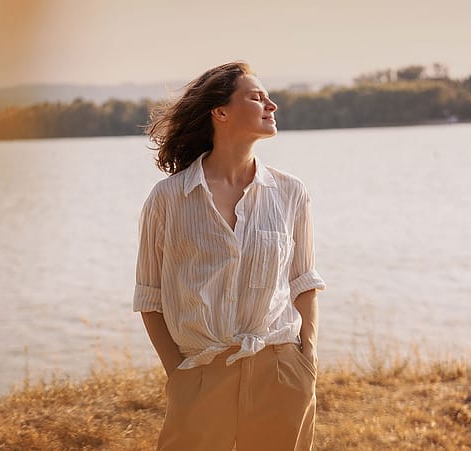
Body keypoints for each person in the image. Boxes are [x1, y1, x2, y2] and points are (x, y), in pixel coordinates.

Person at [133, 61, 326, 451]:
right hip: (201, 373)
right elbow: (150, 297)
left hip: (281, 372)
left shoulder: (291, 193)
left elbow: (303, 281)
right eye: (256, 97)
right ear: (219, 113)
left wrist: (307, 360)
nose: (271, 105)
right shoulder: (168, 199)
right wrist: (180, 375)